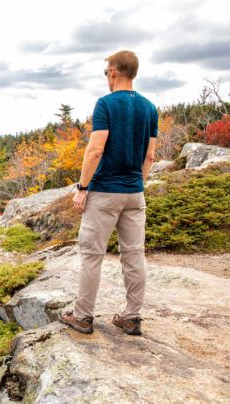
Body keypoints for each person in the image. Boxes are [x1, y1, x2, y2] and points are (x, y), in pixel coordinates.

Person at [58, 50, 158, 336]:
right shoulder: (150, 108)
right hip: (134, 193)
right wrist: (136, 183)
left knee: (92, 254)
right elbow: (149, 156)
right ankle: (131, 317)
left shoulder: (105, 105)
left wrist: (83, 187)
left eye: (106, 72)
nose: (106, 77)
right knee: (134, 254)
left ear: (114, 72)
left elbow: (96, 148)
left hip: (104, 192)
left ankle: (83, 316)